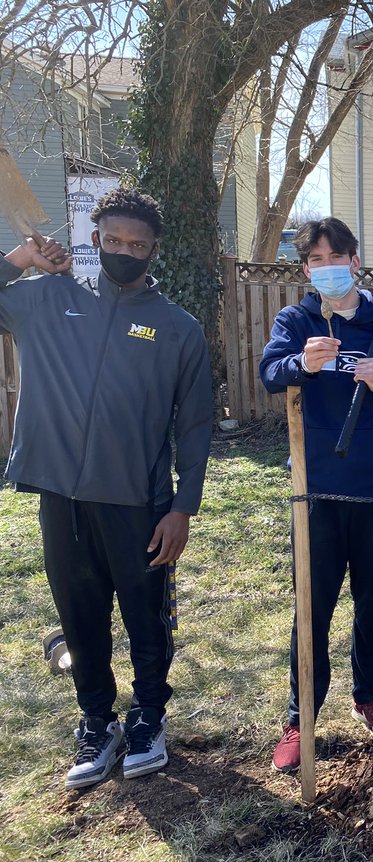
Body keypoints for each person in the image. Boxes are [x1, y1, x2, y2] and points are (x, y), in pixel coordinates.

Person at [0, 188, 212, 788]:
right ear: (95, 240)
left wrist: (182, 507)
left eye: (137, 245)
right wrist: (19, 259)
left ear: (154, 251)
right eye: (114, 241)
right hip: (60, 496)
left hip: (138, 501)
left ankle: (148, 717)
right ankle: (97, 721)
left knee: (146, 617)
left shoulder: (177, 328)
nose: (125, 252)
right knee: (80, 612)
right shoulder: (47, 300)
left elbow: (195, 427)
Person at [260, 216, 373, 772]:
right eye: (312, 262)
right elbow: (270, 373)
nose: (322, 270)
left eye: (330, 259)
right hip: (315, 490)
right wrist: (301, 364)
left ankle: (367, 695)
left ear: (354, 262)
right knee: (311, 606)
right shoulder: (298, 320)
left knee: (372, 600)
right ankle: (301, 717)